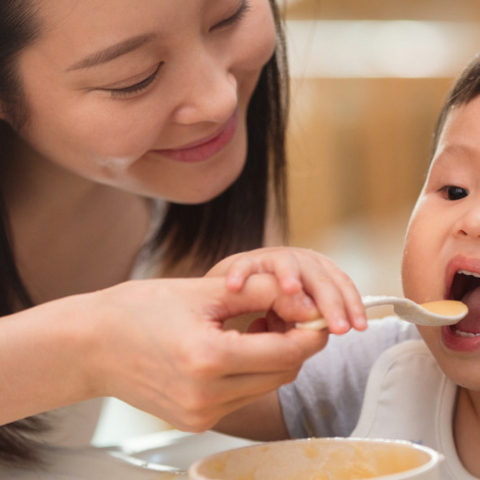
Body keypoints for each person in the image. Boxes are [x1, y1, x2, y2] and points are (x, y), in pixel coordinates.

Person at [0, 0, 368, 472]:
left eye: (230, 15)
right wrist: (87, 347)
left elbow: (268, 409)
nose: (220, 99)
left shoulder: (189, 167)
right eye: (134, 77)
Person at [215, 53, 480, 479]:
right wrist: (238, 308)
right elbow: (218, 392)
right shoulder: (377, 369)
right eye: (454, 190)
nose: (473, 221)